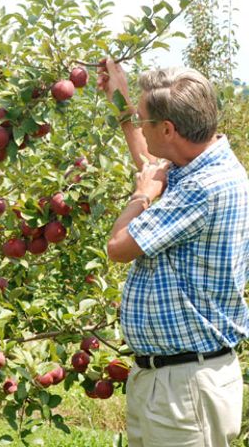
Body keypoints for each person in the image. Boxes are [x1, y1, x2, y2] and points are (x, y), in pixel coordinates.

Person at [96, 58, 249, 447]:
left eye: (144, 121)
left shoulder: (204, 187)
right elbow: (153, 166)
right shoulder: (200, 165)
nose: (140, 127)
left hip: (185, 389)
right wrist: (122, 103)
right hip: (173, 380)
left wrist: (139, 197)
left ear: (168, 129)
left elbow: (118, 246)